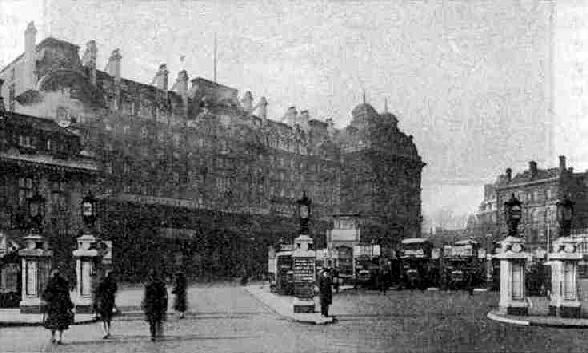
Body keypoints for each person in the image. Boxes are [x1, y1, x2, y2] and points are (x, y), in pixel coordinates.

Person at [42, 269, 74, 345]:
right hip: (61, 305)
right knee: (61, 322)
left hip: (53, 305)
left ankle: (53, 337)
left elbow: (45, 294)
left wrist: (47, 300)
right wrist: (69, 305)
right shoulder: (63, 283)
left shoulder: (50, 283)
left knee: (52, 321)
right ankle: (59, 338)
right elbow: (67, 295)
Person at [142, 269, 168, 342]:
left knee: (152, 321)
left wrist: (144, 304)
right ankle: (158, 333)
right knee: (159, 319)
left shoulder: (147, 284)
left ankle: (153, 334)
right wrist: (165, 305)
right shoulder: (161, 283)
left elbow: (145, 296)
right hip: (159, 304)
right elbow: (165, 295)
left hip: (151, 304)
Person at [95, 271, 118, 338]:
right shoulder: (113, 283)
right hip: (109, 302)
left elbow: (97, 293)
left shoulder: (101, 283)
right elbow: (114, 292)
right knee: (108, 318)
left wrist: (97, 302)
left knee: (103, 318)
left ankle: (105, 332)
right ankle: (108, 332)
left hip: (102, 302)